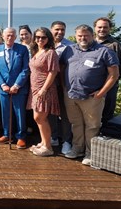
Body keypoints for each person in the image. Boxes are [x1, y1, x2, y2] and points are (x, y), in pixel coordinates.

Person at [61, 24, 119, 166]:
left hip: (92, 97)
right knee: (76, 124)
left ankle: (90, 153)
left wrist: (101, 93)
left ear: (92, 36)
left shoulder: (104, 51)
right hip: (71, 94)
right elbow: (62, 68)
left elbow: (114, 74)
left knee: (92, 125)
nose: (83, 38)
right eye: (80, 35)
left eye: (86, 35)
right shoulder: (69, 49)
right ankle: (77, 149)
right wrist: (64, 86)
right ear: (75, 36)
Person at [0, 27, 30, 149]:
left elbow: (25, 69)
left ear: (16, 37)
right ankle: (7, 134)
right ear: (3, 36)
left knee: (19, 113)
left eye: (12, 35)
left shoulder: (22, 49)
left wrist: (17, 85)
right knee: (5, 112)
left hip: (19, 88)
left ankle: (21, 137)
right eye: (7, 35)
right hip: (3, 88)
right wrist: (2, 84)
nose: (10, 37)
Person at [27, 28, 61, 157]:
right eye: (37, 37)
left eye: (43, 37)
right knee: (38, 118)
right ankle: (43, 142)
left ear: (48, 39)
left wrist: (44, 89)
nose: (40, 40)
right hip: (35, 89)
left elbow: (53, 72)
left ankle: (48, 147)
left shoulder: (50, 53)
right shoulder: (36, 51)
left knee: (40, 117)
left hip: (44, 89)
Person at [94, 17, 121, 125]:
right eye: (99, 27)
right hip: (91, 87)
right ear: (95, 28)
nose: (102, 29)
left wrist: (110, 81)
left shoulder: (116, 46)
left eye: (105, 27)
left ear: (110, 29)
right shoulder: (90, 43)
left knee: (106, 115)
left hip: (109, 87)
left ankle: (103, 139)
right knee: (91, 114)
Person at [49, 20, 74, 154]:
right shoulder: (45, 44)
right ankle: (53, 137)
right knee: (51, 113)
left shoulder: (70, 46)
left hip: (63, 85)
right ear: (51, 29)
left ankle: (66, 141)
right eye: (57, 29)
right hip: (49, 85)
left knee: (65, 115)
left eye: (62, 30)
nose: (60, 32)